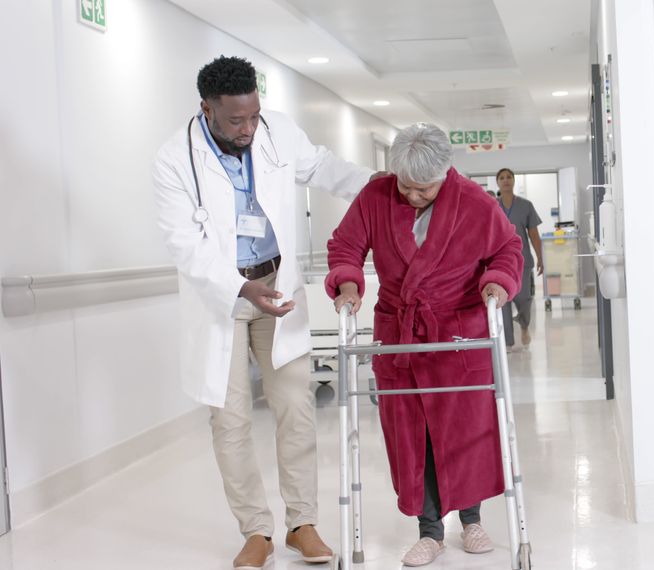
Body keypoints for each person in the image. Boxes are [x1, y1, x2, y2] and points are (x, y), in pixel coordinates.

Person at [152, 55, 383, 570]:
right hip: (224, 297)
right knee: (229, 419)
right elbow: (184, 245)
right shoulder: (174, 159)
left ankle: (302, 524)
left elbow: (326, 168)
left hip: (277, 286)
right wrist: (240, 288)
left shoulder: (276, 131)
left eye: (254, 115)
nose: (249, 128)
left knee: (295, 407)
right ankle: (256, 530)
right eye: (236, 120)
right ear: (206, 109)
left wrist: (386, 183)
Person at [324, 124, 523, 567]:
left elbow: (509, 248)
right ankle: (430, 531)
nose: (412, 196)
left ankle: (471, 521)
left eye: (424, 190)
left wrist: (497, 284)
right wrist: (349, 284)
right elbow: (345, 245)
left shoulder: (473, 202)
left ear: (444, 173)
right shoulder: (376, 197)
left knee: (465, 429)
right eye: (406, 187)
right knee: (413, 437)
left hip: (457, 333)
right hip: (400, 336)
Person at [495, 168, 544, 348]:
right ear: (497, 182)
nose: (506, 180)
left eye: (509, 177)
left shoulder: (526, 205)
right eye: (502, 178)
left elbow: (534, 234)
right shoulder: (492, 205)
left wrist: (540, 257)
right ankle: (508, 342)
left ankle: (524, 324)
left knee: (524, 298)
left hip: (523, 261)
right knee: (504, 301)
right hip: (499, 262)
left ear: (514, 181)